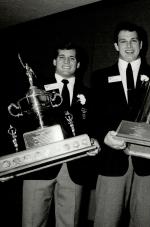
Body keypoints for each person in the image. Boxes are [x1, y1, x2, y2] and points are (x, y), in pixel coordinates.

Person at [90, 22, 150, 227]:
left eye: (133, 41)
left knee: (146, 221)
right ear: (116, 46)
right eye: (123, 41)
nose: (129, 46)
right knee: (105, 222)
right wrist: (103, 136)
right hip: (112, 160)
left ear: (141, 44)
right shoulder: (99, 77)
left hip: (148, 161)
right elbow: (93, 117)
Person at [22, 41, 97, 227]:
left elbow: (94, 125)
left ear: (78, 64)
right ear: (54, 61)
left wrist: (94, 140)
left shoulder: (89, 94)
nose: (66, 62)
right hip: (39, 165)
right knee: (32, 221)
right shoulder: (35, 91)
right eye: (62, 57)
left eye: (72, 58)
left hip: (74, 167)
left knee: (69, 223)